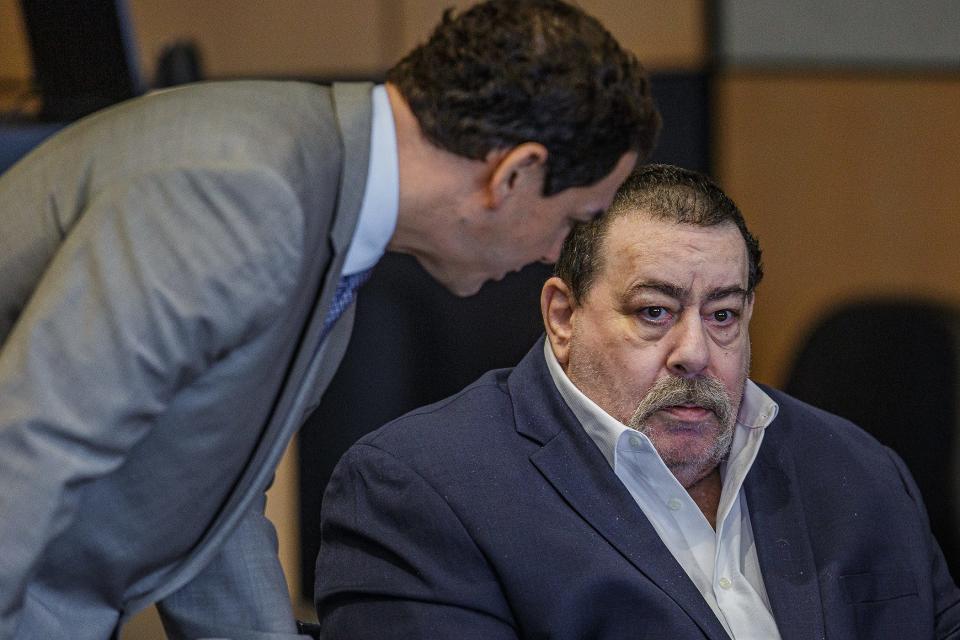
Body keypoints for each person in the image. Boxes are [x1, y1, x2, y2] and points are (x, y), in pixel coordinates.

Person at [0, 1, 660, 638]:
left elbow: (214, 508)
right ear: (514, 174)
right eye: (574, 218)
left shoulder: (323, 212)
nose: (554, 253)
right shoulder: (248, 192)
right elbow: (29, 450)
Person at [314, 164, 960, 639]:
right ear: (563, 315)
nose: (695, 351)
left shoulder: (860, 471)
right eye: (655, 312)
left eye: (724, 315)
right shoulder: (420, 491)